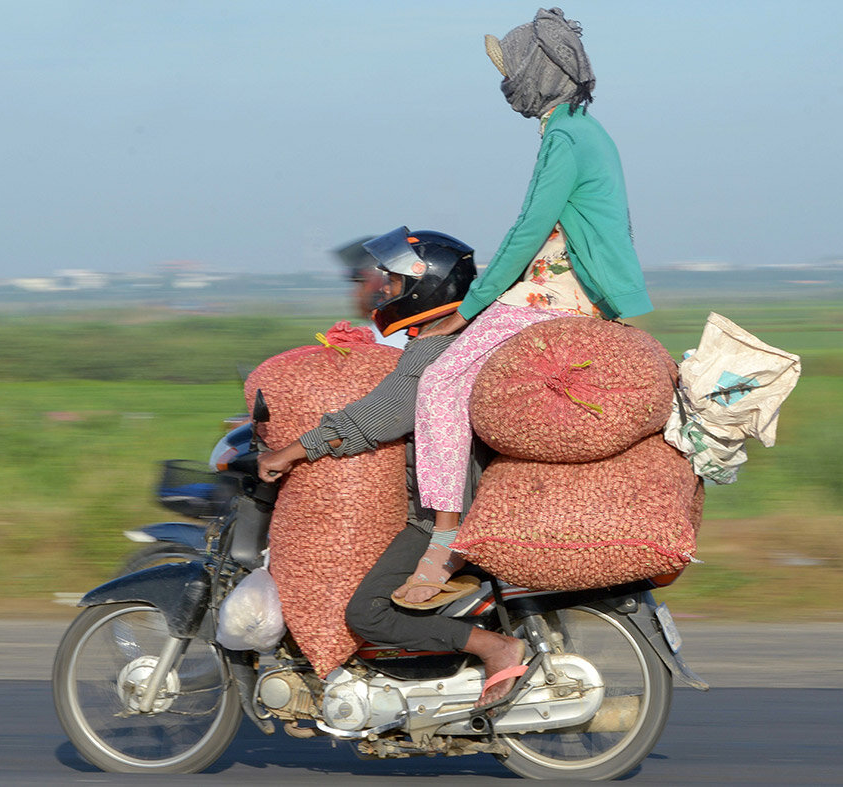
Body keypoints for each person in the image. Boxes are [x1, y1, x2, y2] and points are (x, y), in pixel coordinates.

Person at [397, 8, 654, 643]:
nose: (505, 85)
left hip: (555, 294)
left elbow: (527, 231)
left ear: (535, 75)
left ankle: (445, 540)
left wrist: (467, 309)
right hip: (562, 285)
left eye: (510, 72)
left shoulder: (565, 140)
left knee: (439, 382)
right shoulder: (580, 130)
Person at [258, 226, 526, 707]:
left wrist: (289, 451)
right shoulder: (461, 340)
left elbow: (375, 420)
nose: (385, 290)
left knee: (366, 614)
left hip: (443, 515)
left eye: (397, 283)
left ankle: (495, 648)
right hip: (464, 502)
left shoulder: (435, 352)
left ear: (430, 286)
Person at [333, 237, 409, 349]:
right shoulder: (372, 332)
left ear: (382, 286)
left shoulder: (390, 340)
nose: (354, 294)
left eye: (361, 284)